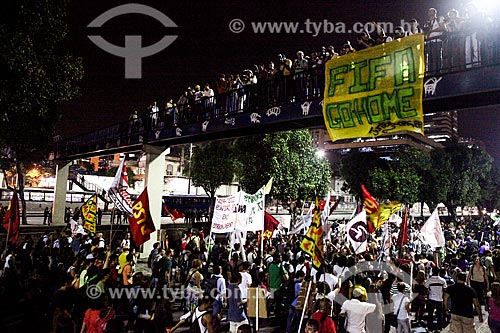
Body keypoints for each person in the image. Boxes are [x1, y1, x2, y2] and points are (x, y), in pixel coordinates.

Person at [425, 266, 447, 332]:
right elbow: (445, 290)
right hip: (440, 299)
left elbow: (426, 290)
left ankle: (430, 328)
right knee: (440, 314)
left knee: (430, 314)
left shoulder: (429, 280)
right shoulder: (443, 280)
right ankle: (439, 328)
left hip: (431, 298)